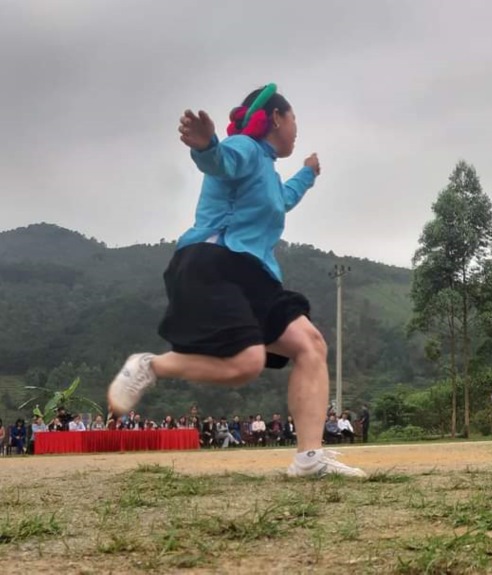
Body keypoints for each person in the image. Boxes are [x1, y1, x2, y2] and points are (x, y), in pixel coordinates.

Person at [104, 84, 364, 477]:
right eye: (295, 121)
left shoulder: (268, 171)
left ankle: (309, 459)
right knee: (247, 363)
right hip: (213, 262)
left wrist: (307, 175)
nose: (296, 130)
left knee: (309, 345)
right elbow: (220, 161)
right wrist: (207, 144)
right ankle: (153, 365)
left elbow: (283, 198)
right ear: (276, 117)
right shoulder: (244, 148)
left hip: (254, 275)